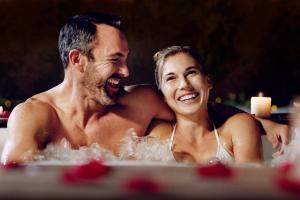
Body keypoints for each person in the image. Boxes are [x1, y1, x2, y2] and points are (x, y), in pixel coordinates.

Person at [1, 13, 288, 164]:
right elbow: (18, 183)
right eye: (115, 60)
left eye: (125, 60)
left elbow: (195, 106)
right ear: (78, 60)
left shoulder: (141, 102)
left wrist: (260, 122)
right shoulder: (34, 116)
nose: (126, 72)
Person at [147, 46, 261, 164]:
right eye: (171, 78)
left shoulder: (238, 127)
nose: (184, 85)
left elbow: (251, 180)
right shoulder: (157, 136)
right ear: (162, 95)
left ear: (208, 81)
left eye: (191, 72)